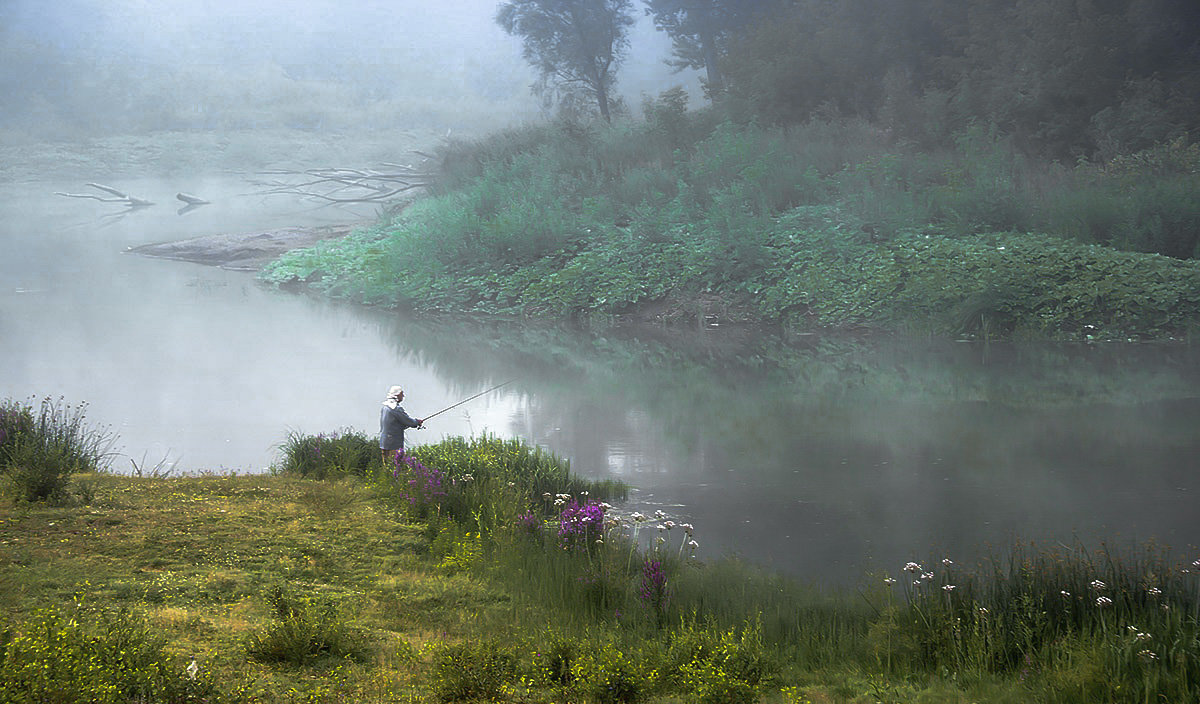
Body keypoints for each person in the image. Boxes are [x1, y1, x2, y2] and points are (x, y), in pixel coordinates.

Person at [379, 385, 423, 466]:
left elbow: (394, 423)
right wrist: (417, 422)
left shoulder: (385, 407)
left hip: (384, 442)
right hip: (393, 444)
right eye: (402, 394)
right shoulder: (396, 409)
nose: (403, 396)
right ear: (397, 395)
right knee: (398, 466)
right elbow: (408, 421)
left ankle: (387, 478)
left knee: (387, 466)